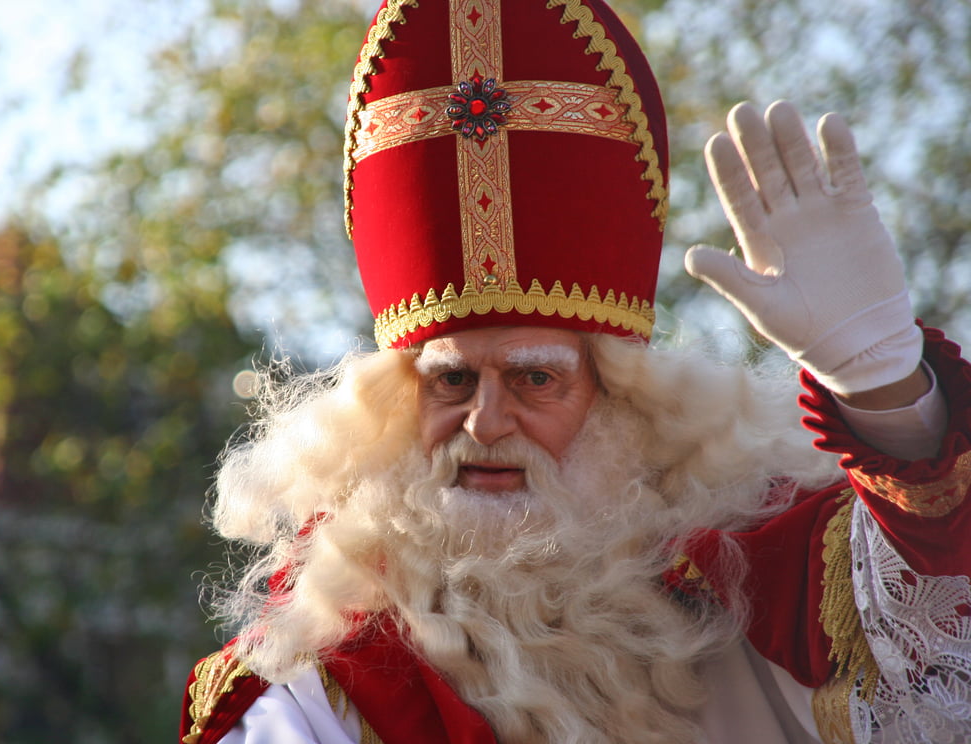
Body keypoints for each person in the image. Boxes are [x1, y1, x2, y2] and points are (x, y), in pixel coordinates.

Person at [179, 1, 971, 742]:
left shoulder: (743, 588)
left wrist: (885, 391)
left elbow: (929, 650)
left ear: (623, 404)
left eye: (532, 380)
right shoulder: (320, 692)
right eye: (452, 381)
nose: (485, 423)